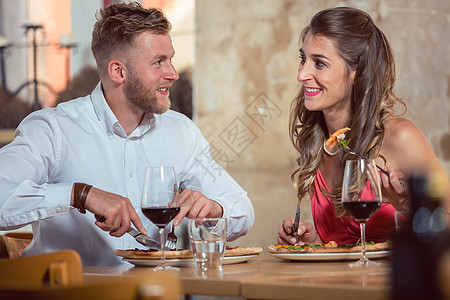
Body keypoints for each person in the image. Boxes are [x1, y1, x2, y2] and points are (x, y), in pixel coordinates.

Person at [0, 2, 254, 266]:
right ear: (118, 71)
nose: (173, 74)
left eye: (171, 59)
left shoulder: (181, 132)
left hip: (157, 292)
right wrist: (79, 195)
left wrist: (215, 208)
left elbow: (243, 210)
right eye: (159, 62)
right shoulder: (53, 129)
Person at [278, 7, 448, 246]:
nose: (302, 74)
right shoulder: (319, 144)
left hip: (398, 281)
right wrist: (313, 242)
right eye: (303, 59)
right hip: (342, 284)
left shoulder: (400, 137)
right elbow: (347, 244)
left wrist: (410, 208)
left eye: (319, 63)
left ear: (357, 72)